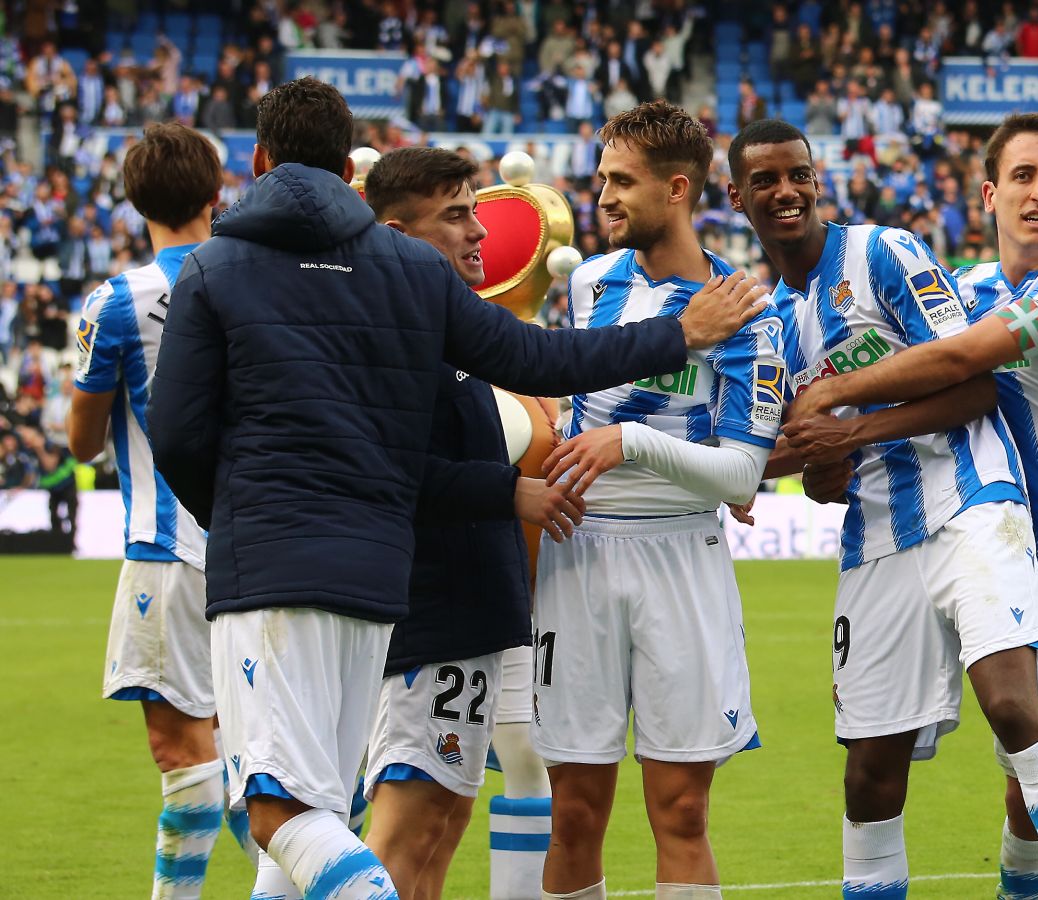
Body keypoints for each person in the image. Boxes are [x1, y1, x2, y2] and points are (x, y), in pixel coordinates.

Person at [146, 79, 767, 900]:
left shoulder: (215, 268)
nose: (473, 230)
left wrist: (239, 519)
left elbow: (179, 435)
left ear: (258, 158)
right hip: (377, 578)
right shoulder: (408, 269)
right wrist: (674, 335)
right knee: (327, 805)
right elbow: (540, 362)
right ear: (346, 164)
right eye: (456, 213)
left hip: (277, 563)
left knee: (282, 813)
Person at [785, 113, 1038, 899]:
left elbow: (959, 359)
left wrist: (834, 396)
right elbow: (925, 389)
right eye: (1023, 176)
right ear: (989, 193)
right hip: (1017, 562)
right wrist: (828, 450)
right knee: (1026, 795)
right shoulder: (965, 289)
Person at [725, 118, 1038, 899]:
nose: (785, 191)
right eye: (764, 181)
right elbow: (813, 453)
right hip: (876, 540)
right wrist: (813, 472)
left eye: (797, 174)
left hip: (970, 499)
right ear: (737, 197)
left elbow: (974, 384)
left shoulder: (882, 253)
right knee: (868, 776)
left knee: (1009, 700)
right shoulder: (769, 322)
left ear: (817, 179)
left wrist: (853, 424)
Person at [520, 101, 782, 900]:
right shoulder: (592, 283)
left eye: (621, 182)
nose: (602, 197)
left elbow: (741, 476)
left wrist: (628, 444)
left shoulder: (743, 309)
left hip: (681, 557)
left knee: (680, 812)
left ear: (677, 189)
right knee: (573, 810)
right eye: (601, 178)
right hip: (578, 551)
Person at [355, 146, 566, 900]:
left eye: (475, 211)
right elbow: (397, 469)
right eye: (455, 216)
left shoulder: (454, 330)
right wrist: (510, 493)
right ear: (394, 234)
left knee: (439, 829)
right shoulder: (394, 337)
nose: (479, 232)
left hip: (474, 614)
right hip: (429, 611)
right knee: (402, 833)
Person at [67, 122, 251, 899]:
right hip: (259, 549)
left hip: (168, 551)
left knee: (184, 758)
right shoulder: (256, 284)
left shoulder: (115, 302)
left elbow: (81, 443)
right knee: (260, 763)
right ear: (217, 196)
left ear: (134, 200)